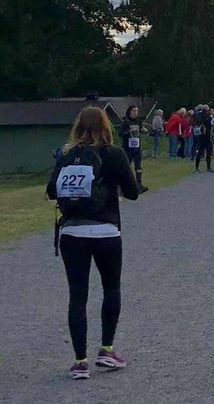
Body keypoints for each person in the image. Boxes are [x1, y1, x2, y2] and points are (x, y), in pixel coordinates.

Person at [47, 106, 139, 380]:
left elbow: (52, 191)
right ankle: (107, 349)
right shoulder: (113, 154)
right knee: (111, 288)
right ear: (106, 125)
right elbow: (132, 193)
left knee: (77, 295)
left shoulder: (66, 154)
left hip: (72, 233)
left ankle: (79, 361)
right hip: (105, 231)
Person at [120, 105, 149, 193]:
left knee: (138, 167)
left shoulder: (138, 121)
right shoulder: (126, 122)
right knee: (126, 168)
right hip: (128, 149)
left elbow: (140, 130)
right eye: (134, 111)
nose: (135, 113)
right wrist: (128, 131)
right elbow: (120, 133)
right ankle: (124, 187)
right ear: (129, 111)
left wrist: (143, 130)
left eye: (136, 111)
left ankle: (139, 185)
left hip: (137, 148)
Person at [192, 105, 213, 173]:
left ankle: (197, 167)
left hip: (200, 135)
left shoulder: (198, 115)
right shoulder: (208, 116)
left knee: (200, 151)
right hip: (207, 135)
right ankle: (208, 167)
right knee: (208, 152)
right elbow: (210, 124)